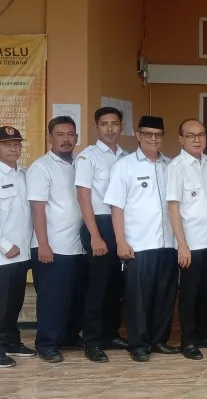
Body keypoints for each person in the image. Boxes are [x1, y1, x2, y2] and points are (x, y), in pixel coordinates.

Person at [104, 116, 180, 362]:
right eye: (148, 134)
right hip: (138, 244)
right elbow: (116, 207)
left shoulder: (169, 165)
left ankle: (158, 340)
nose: (153, 139)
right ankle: (138, 344)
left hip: (167, 244)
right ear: (138, 135)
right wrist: (120, 242)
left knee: (164, 295)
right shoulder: (124, 166)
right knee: (138, 298)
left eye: (158, 134)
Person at [27, 116, 87, 363]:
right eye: (60, 134)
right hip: (52, 247)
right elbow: (37, 209)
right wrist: (43, 244)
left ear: (77, 137)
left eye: (70, 134)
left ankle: (70, 336)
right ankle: (47, 344)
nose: (66, 139)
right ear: (49, 137)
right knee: (53, 298)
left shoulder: (80, 164)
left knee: (75, 296)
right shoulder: (40, 168)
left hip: (79, 246)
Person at [166, 119, 207, 361]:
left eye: (201, 135)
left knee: (206, 292)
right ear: (181, 139)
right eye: (191, 136)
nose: (197, 139)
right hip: (190, 245)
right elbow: (173, 208)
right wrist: (182, 244)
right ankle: (187, 340)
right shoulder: (176, 167)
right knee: (189, 294)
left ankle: (203, 333)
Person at [75, 107, 128, 363]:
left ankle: (110, 333)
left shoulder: (126, 156)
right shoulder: (88, 157)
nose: (110, 128)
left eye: (114, 123)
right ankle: (93, 340)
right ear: (97, 127)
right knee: (97, 286)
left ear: (121, 126)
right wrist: (95, 235)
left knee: (116, 285)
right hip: (99, 225)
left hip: (122, 226)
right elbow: (83, 197)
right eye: (105, 124)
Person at [0, 126, 36, 368]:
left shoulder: (23, 174)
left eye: (17, 143)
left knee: (15, 302)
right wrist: (4, 245)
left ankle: (12, 341)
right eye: (6, 144)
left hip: (22, 252)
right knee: (1, 304)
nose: (14, 147)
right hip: (4, 255)